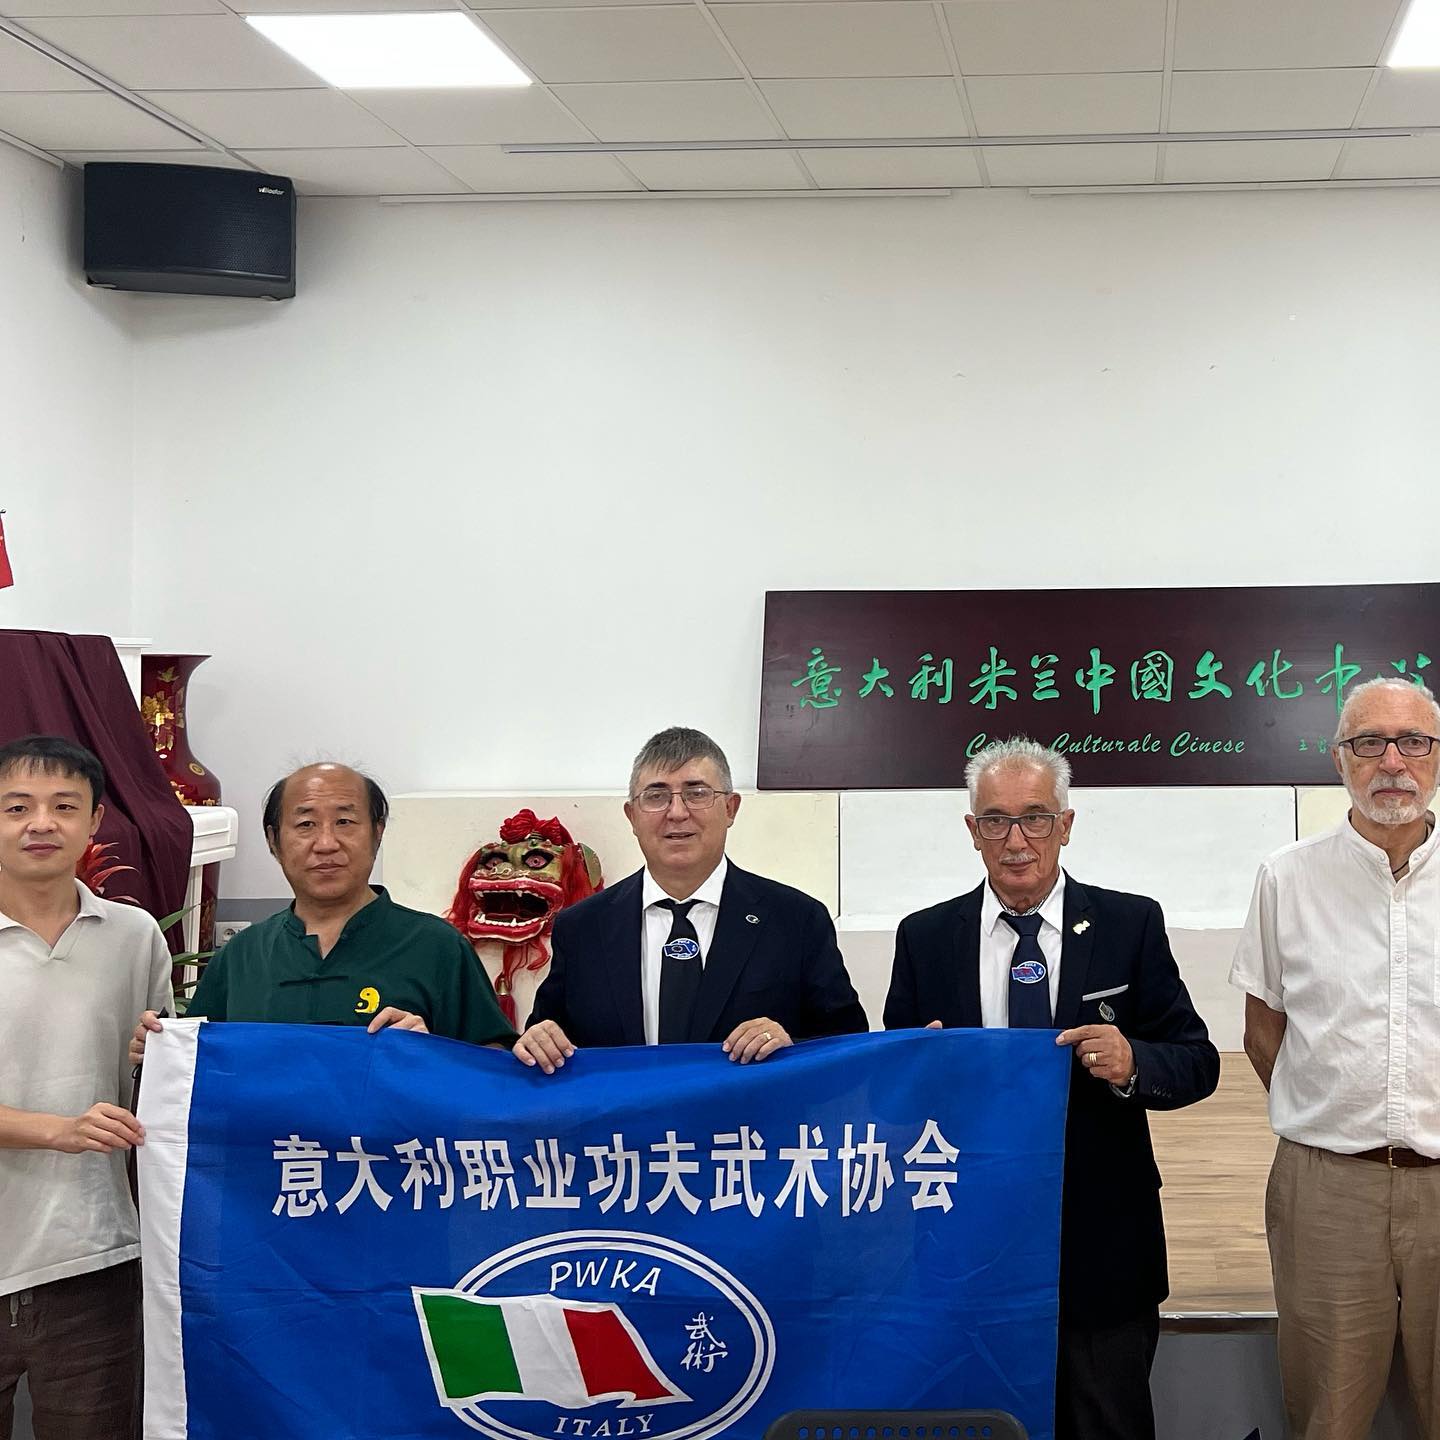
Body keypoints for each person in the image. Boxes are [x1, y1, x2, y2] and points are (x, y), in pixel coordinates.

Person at [883, 736, 1218, 1440]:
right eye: (996, 821)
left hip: (1101, 1243)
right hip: (967, 1244)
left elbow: (1196, 1061)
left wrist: (1133, 1063)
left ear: (1065, 825)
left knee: (1107, 1422)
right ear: (971, 830)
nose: (1017, 841)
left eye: (1035, 818)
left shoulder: (1129, 925)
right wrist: (920, 1069)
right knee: (978, 1424)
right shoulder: (925, 938)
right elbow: (894, 1093)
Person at [1232, 676, 1440, 1440]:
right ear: (1338, 758)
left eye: (1413, 741)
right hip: (1327, 1192)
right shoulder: (1287, 877)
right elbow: (1263, 1033)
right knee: (1329, 1416)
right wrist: (1331, 1113)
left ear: (1438, 756)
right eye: (1369, 743)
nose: (1393, 762)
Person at [514, 726, 867, 1072]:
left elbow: (849, 1045)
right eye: (656, 796)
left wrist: (791, 1044)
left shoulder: (796, 920)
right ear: (631, 816)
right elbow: (547, 1038)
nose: (677, 812)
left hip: (750, 1113)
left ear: (730, 808)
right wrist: (537, 1041)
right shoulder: (582, 927)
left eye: (697, 793)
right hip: (629, 1114)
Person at [0, 735, 172, 1440]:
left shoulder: (134, 936)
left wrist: (153, 1060)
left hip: (94, 1255)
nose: (41, 823)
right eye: (17, 807)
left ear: (95, 819)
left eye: (64, 806)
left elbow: (160, 1080)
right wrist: (59, 1130)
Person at [132, 763, 513, 1062]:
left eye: (345, 822)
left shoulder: (437, 947)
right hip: (275, 1144)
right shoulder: (242, 955)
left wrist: (433, 1053)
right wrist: (159, 1052)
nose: (326, 843)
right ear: (273, 841)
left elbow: (494, 1070)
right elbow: (197, 1070)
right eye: (306, 824)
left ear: (377, 832)